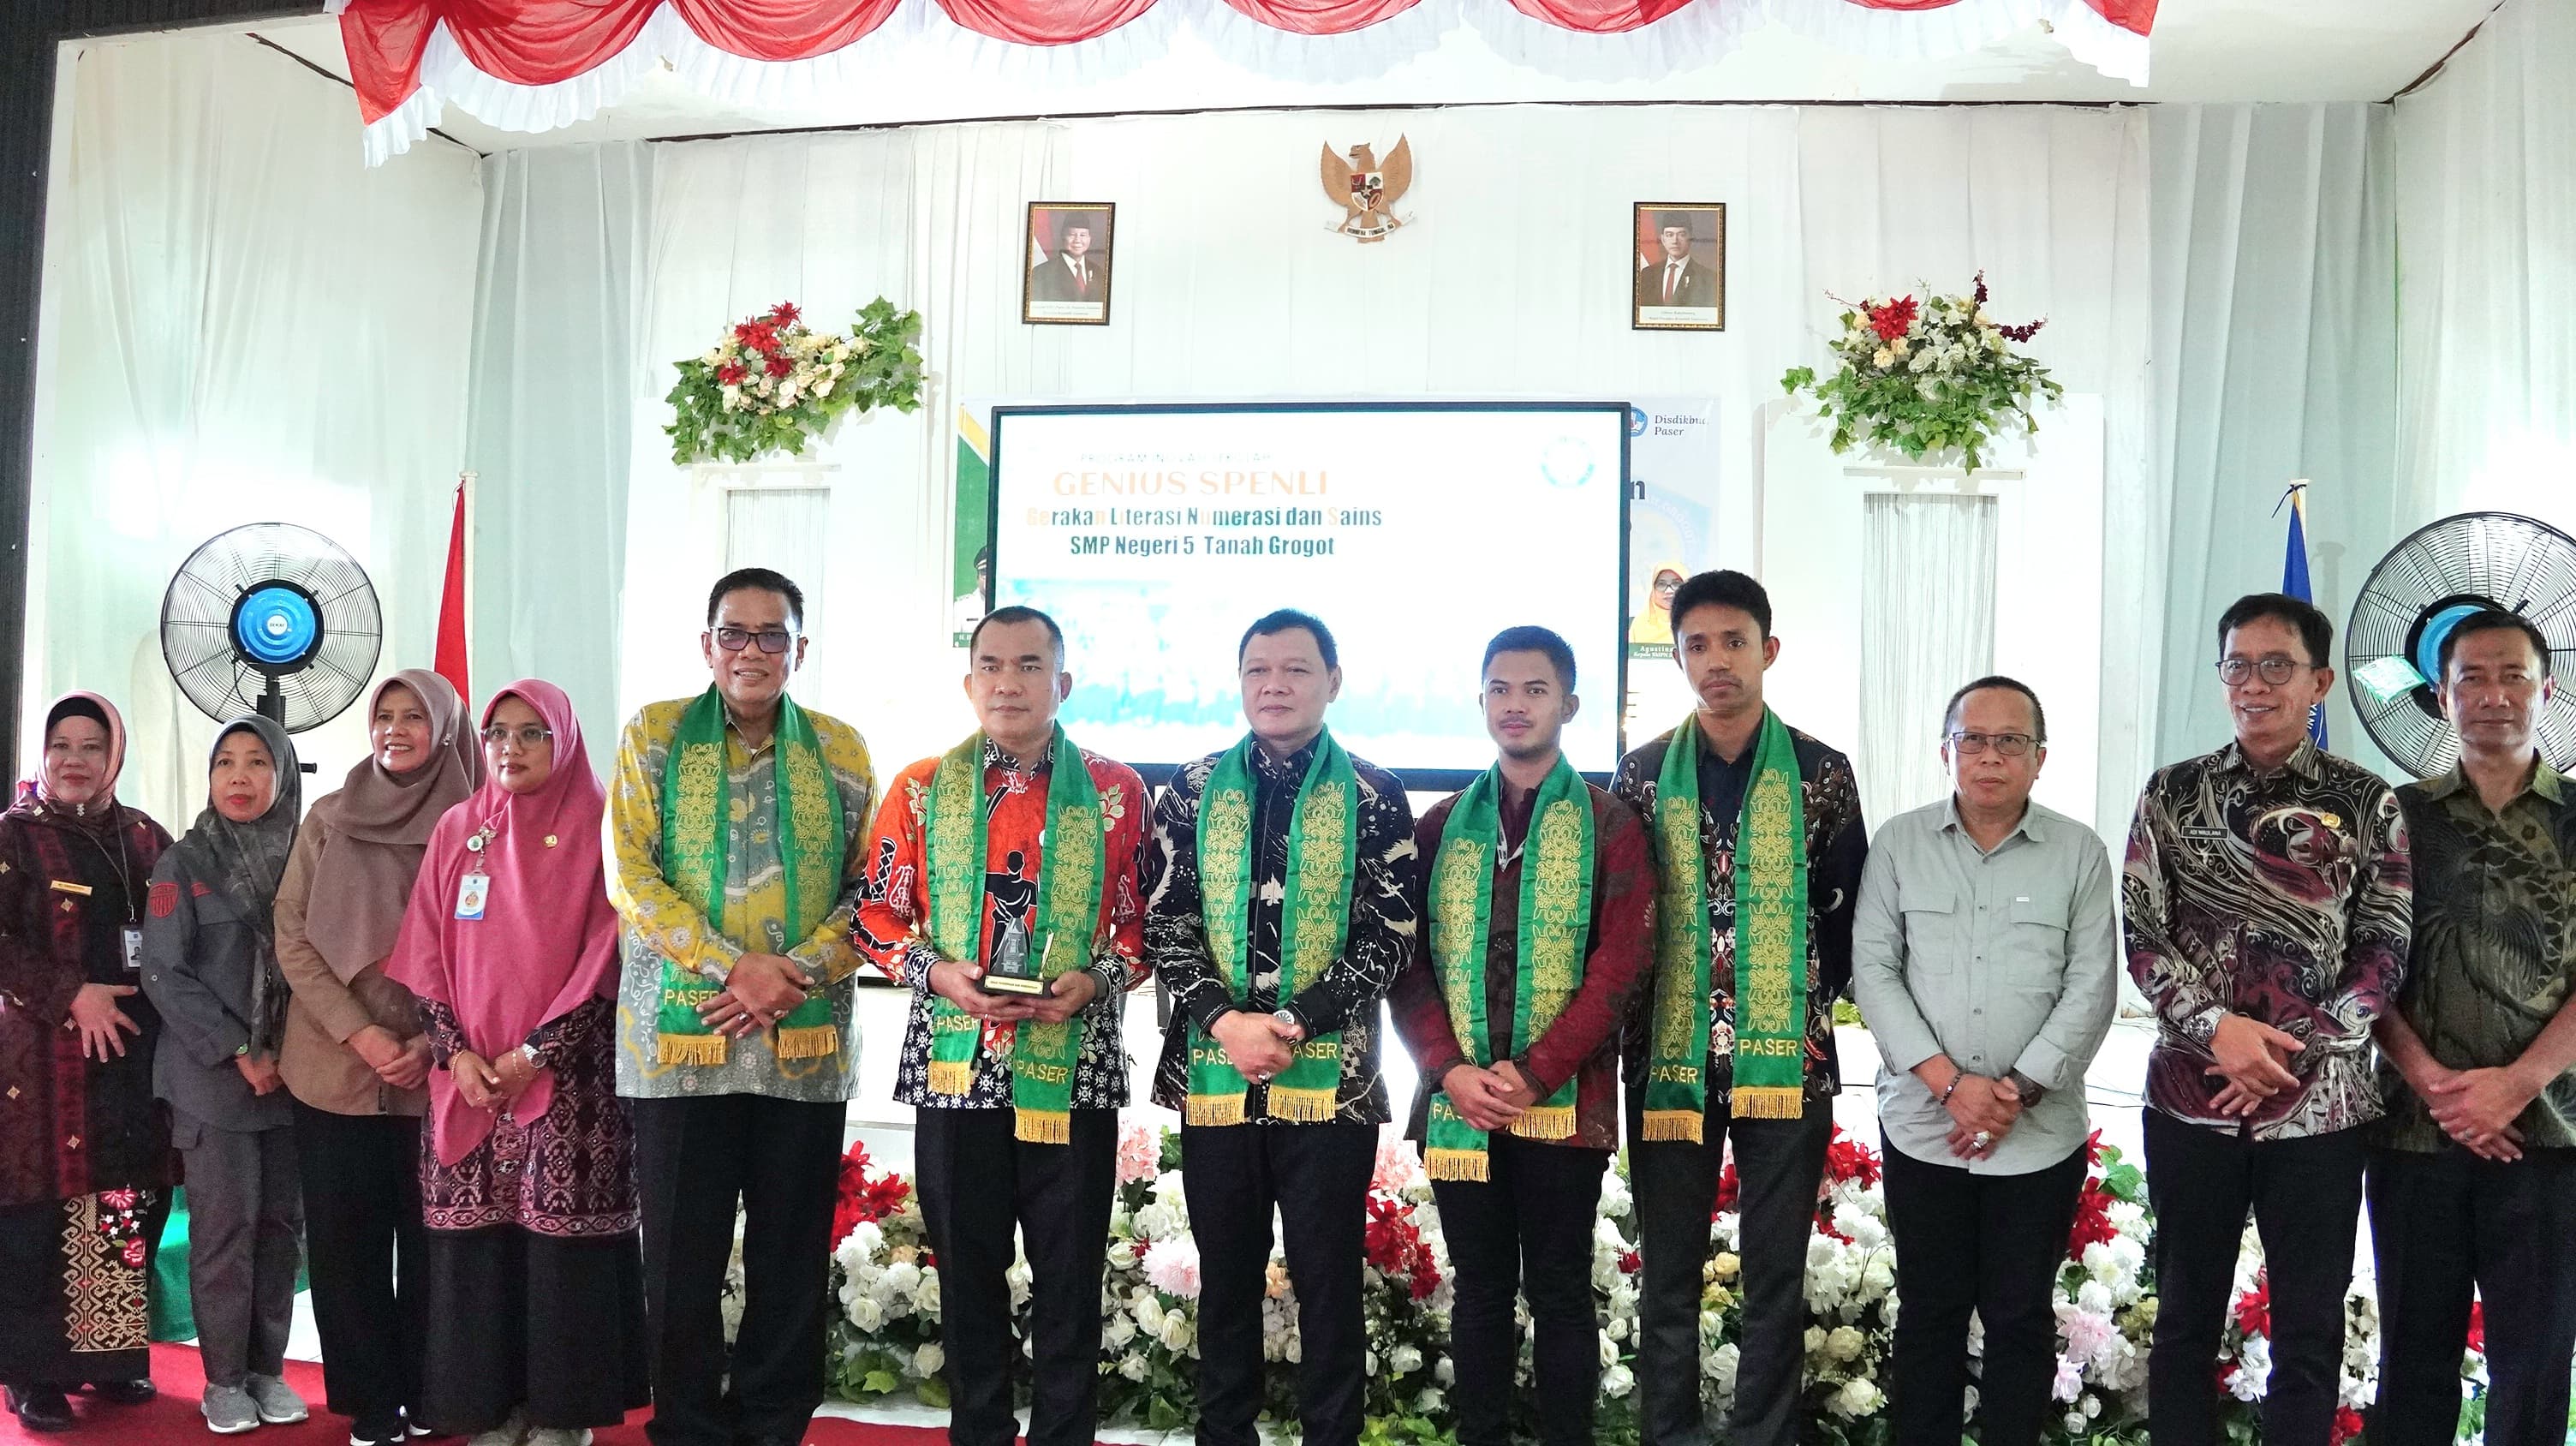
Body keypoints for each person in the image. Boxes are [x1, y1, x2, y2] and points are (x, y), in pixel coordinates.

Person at [854, 606, 1148, 1446]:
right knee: (967, 1274)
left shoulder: (1118, 790)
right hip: (955, 1064)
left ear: (1063, 682)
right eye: (991, 665)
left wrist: (1095, 980)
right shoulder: (918, 787)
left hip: (1073, 1061)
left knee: (1070, 1273)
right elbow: (874, 916)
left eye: (1029, 665)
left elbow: (1143, 926)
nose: (1008, 682)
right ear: (968, 681)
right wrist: (938, 974)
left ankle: (1064, 1434)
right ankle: (977, 1431)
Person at [2125, 592, 2411, 1446]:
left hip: (2319, 1110)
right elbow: (2140, 932)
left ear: (2318, 680)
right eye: (2237, 666)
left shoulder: (2366, 802)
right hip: (2191, 1097)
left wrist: (2287, 1050)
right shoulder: (2172, 792)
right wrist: (2219, 1030)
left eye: (2276, 665)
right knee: (2183, 1315)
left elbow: (2384, 949)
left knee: (2308, 1327)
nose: (2254, 683)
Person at [609, 567, 874, 1446]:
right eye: (734, 632)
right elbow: (631, 878)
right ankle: (686, 1424)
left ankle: (772, 1424)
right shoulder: (652, 736)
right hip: (678, 1043)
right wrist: (732, 967)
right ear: (707, 644)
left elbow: (871, 892)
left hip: (803, 1042)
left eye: (771, 634)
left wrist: (789, 971)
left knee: (789, 1254)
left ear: (800, 649)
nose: (751, 650)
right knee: (679, 1255)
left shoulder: (841, 750)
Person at [1145, 608, 1416, 1446]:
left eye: (1295, 669)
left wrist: (1293, 1021)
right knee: (1225, 1277)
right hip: (1215, 1072)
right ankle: (1224, 1433)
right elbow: (1165, 922)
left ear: (1332, 682)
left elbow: (1392, 931)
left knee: (1328, 1280)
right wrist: (1227, 1021)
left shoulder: (1373, 794)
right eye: (1257, 669)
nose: (1274, 685)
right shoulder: (1190, 790)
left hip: (1333, 1084)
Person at [1611, 570, 1866, 1446]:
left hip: (1787, 1060)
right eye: (1697, 645)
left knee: (1774, 1272)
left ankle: (1764, 1433)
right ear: (1677, 657)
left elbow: (1848, 910)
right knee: (1669, 1270)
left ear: (1769, 650)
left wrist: (1795, 1001)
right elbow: (1626, 914)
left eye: (1733, 641)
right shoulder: (1643, 773)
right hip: (1666, 1056)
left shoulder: (1822, 772)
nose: (1715, 660)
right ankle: (1669, 1433)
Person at [1387, 626, 1654, 1446]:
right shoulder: (1439, 827)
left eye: (1535, 689)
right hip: (1459, 1102)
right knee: (1479, 1289)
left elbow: (1622, 966)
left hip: (1564, 1106)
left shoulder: (1611, 824)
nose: (1515, 704)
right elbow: (1408, 962)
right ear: (1480, 703)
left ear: (1568, 705)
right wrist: (1447, 1069)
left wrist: (1536, 1073)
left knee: (1562, 1290)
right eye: (1500, 689)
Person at [1848, 677, 2118, 1446]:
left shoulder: (2078, 853)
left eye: (2010, 741)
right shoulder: (1899, 845)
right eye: (1973, 739)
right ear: (1947, 751)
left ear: (2040, 758)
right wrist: (1950, 1087)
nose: (1990, 756)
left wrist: (2013, 1093)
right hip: (1923, 1129)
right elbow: (1874, 971)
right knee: (1929, 1313)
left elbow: (2093, 984)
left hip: (2037, 1138)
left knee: (2019, 1317)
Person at [391, 680, 647, 1446]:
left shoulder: (603, 827)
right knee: (480, 1248)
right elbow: (425, 949)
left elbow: (607, 955)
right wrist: (456, 1053)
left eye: (532, 733)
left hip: (570, 1080)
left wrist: (537, 1053)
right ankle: (491, 1407)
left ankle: (563, 1417)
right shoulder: (459, 827)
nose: (511, 747)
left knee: (561, 1248)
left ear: (564, 740)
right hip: (469, 1079)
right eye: (498, 732)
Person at [2368, 610, 2576, 1446]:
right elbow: (2360, 969)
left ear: (2545, 690)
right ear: (2441, 694)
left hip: (2550, 1138)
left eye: (2512, 675)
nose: (2493, 694)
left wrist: (2515, 1084)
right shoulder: (2397, 817)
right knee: (2412, 1363)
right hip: (2415, 1137)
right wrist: (2435, 1086)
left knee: (2534, 1368)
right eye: (2471, 678)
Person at [275, 670, 481, 1446]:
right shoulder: (328, 818)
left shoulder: (478, 826)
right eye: (384, 716)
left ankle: (433, 1390)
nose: (395, 729)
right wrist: (361, 1034)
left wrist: (431, 1042)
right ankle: (370, 1399)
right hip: (332, 1070)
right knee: (346, 1246)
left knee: (436, 1244)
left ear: (446, 730)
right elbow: (292, 934)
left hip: (441, 1074)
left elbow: (492, 951)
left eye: (413, 717)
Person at [0, 694, 175, 1434]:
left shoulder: (145, 837)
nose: (74, 760)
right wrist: (72, 995)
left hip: (131, 1058)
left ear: (115, 756)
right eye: (61, 745)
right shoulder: (13, 835)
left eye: (91, 746)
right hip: (43, 1064)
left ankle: (108, 1356)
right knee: (38, 1213)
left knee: (122, 1200)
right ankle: (31, 1374)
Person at [140, 717, 309, 1435]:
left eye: (257, 762)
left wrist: (291, 1053)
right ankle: (224, 1380)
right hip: (214, 1081)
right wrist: (242, 1048)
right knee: (224, 1231)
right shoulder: (183, 863)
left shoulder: (307, 856)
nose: (239, 777)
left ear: (284, 777)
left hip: (296, 1079)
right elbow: (163, 973)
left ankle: (269, 1371)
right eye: (225, 763)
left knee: (281, 1230)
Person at [1634, 215, 1714, 311]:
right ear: (1663, 239)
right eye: (1669, 235)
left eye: (1681, 235)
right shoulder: (1648, 274)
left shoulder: (1707, 278)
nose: (1675, 241)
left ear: (1691, 238)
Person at [1029, 220, 1106, 305]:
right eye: (1072, 235)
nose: (1077, 240)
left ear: (1089, 239)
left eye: (1083, 235)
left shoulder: (1098, 272)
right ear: (1063, 237)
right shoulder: (1042, 273)